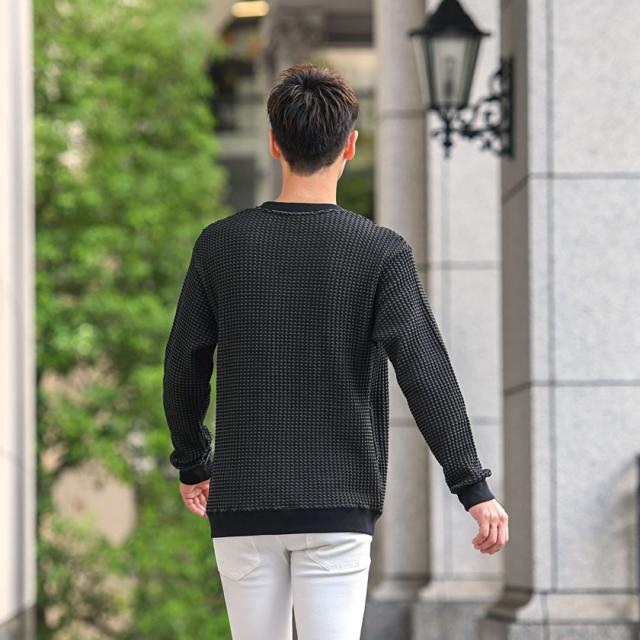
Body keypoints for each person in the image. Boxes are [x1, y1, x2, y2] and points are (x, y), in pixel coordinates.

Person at [162, 62, 508, 640]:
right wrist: (471, 487)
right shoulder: (379, 252)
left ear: (274, 143)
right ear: (350, 145)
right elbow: (426, 373)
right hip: (337, 500)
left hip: (244, 499)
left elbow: (184, 364)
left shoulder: (220, 245)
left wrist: (194, 462)